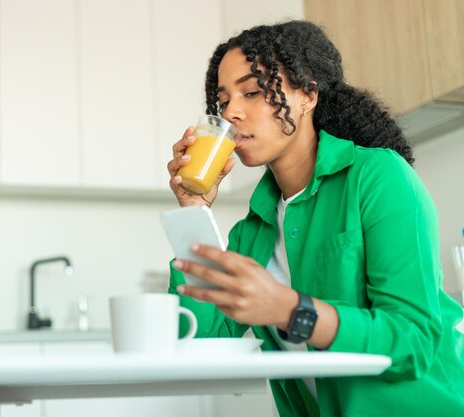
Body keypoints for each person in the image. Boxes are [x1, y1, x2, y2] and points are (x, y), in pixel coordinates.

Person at [166, 20, 464, 417]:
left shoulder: (377, 177)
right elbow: (199, 348)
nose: (231, 112)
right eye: (223, 101)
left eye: (252, 92)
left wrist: (289, 310)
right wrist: (194, 210)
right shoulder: (250, 233)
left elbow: (414, 340)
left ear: (307, 95)